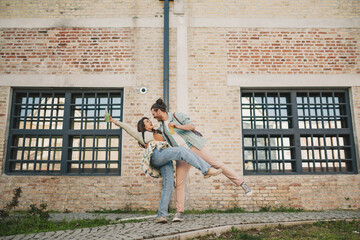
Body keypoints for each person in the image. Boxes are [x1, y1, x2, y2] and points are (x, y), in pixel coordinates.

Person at [151, 98, 253, 222]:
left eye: (154, 113)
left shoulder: (177, 116)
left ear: (160, 111)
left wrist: (177, 126)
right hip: (181, 155)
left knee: (216, 163)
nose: (153, 116)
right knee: (179, 182)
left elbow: (191, 126)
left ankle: (242, 183)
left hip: (193, 146)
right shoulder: (161, 128)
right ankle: (179, 213)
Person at [108, 116, 221, 223]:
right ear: (143, 126)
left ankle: (161, 216)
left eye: (149, 120)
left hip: (166, 158)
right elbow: (127, 128)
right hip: (156, 155)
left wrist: (192, 133)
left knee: (168, 185)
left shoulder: (160, 132)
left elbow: (174, 138)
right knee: (182, 151)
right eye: (146, 121)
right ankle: (206, 170)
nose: (150, 121)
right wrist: (114, 121)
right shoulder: (142, 134)